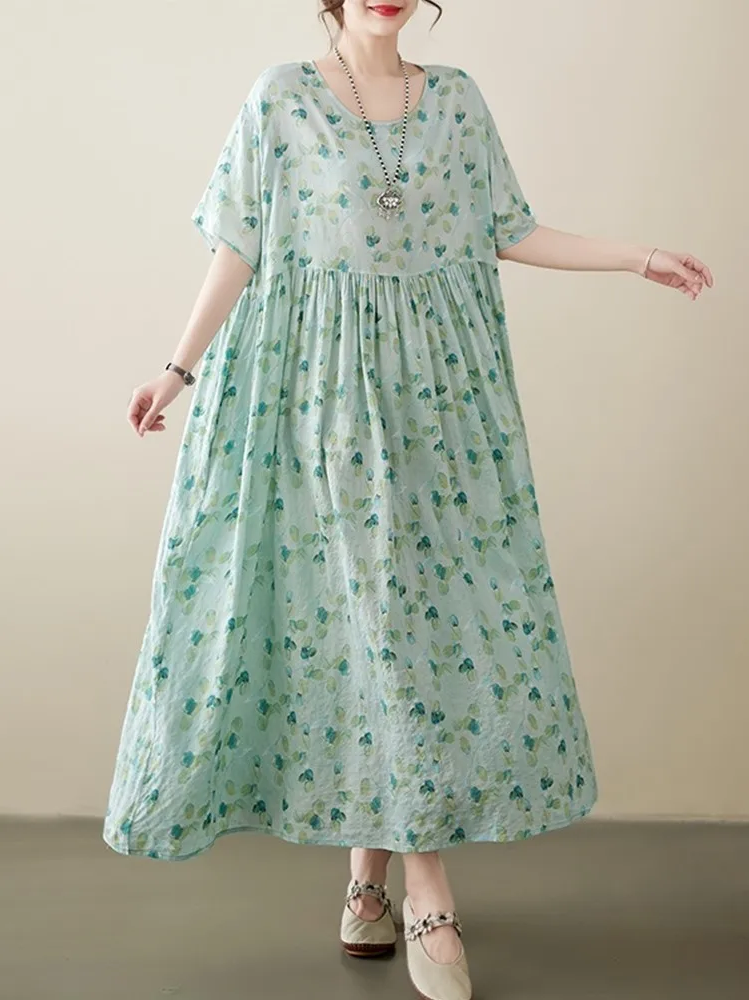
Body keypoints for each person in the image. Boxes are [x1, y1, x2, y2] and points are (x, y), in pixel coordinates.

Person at [103, 2, 714, 997]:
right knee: (372, 618)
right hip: (319, 401)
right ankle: (428, 885)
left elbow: (508, 228)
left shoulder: (458, 101)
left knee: (409, 626)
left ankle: (366, 882)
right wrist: (176, 369)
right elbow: (239, 243)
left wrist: (636, 257)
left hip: (441, 406)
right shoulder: (281, 99)